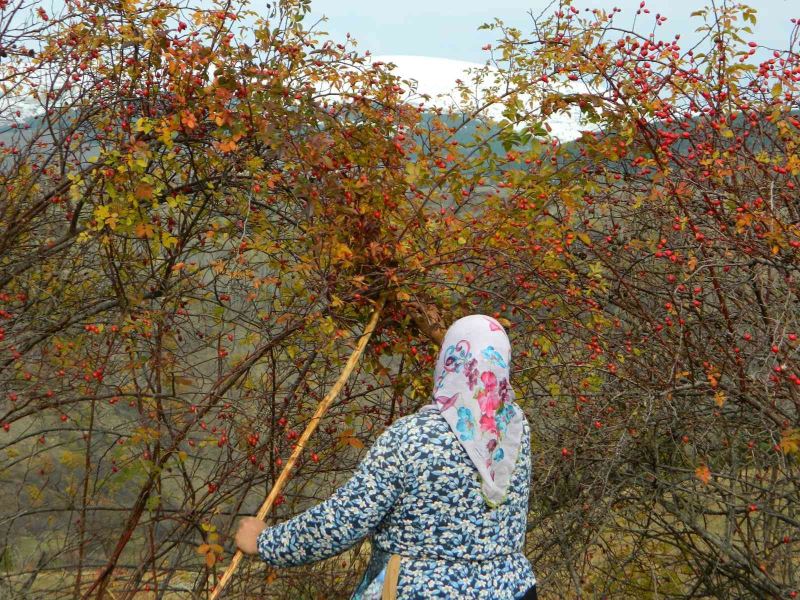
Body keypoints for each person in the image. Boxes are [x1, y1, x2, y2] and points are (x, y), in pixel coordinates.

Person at [235, 314, 538, 599]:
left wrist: (266, 542)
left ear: (449, 359)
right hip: (513, 589)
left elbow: (344, 520)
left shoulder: (412, 436)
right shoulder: (515, 431)